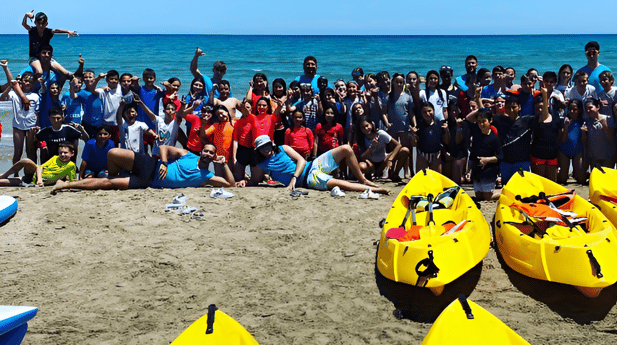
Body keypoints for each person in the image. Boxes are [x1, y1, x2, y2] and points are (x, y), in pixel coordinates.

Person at [50, 143, 235, 193]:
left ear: (213, 157)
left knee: (107, 182)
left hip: (147, 182)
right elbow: (163, 147)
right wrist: (163, 162)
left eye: (211, 153)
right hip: (150, 164)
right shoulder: (188, 154)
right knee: (113, 153)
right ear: (201, 151)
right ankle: (118, 173)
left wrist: (225, 165)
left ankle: (64, 185)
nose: (207, 154)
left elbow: (230, 184)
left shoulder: (207, 176)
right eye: (205, 151)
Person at [249, 135, 389, 195]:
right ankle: (377, 190)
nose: (265, 149)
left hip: (312, 165)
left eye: (267, 146)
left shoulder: (283, 148)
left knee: (346, 148)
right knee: (341, 184)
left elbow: (301, 160)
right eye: (262, 148)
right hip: (309, 180)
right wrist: (244, 181)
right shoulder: (262, 164)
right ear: (258, 151)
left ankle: (363, 179)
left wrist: (293, 178)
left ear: (271, 144)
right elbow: (255, 181)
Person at [1, 60, 40, 168]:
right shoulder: (14, 94)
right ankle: (15, 173)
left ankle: (32, 173)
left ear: (34, 84)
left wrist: (38, 125)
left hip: (31, 127)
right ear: (21, 81)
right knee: (17, 152)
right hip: (18, 127)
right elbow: (2, 98)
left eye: (30, 82)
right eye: (25, 80)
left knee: (31, 152)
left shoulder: (35, 96)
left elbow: (36, 112)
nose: (27, 83)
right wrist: (10, 86)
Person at [21, 10, 76, 77]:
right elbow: (24, 24)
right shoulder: (32, 30)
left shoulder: (48, 32)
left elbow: (56, 30)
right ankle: (35, 85)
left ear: (46, 23)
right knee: (39, 72)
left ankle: (59, 86)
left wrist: (68, 31)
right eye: (39, 23)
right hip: (34, 57)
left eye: (43, 24)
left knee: (65, 73)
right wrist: (26, 15)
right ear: (35, 23)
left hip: (46, 57)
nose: (41, 26)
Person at [0, 142, 77, 187]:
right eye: (61, 153)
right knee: (26, 160)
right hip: (36, 175)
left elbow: (71, 181)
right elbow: (39, 168)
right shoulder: (55, 158)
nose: (63, 155)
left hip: (31, 182)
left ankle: (4, 178)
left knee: (4, 182)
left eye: (65, 153)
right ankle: (4, 175)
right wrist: (39, 180)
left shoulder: (71, 165)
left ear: (72, 153)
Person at [468, 109, 501, 201]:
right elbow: (472, 154)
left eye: (484, 121)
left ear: (490, 121)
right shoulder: (476, 135)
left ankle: (504, 191)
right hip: (477, 171)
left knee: (488, 198)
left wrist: (487, 160)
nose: (481, 124)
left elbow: (500, 156)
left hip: (489, 171)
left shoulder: (494, 138)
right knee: (479, 197)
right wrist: (468, 171)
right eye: (479, 122)